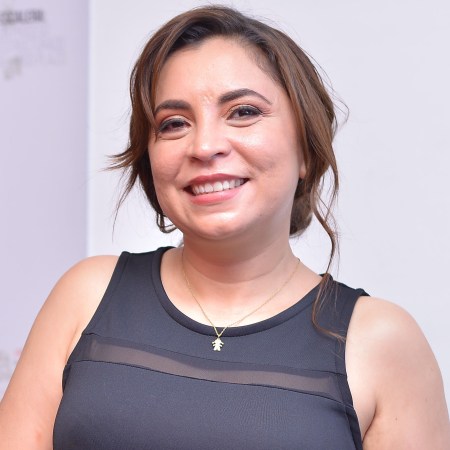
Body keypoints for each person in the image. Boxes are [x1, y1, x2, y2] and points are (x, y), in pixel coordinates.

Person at [0, 5, 449, 449]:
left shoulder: (382, 342)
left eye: (244, 112)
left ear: (306, 149)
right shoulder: (86, 296)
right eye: (174, 123)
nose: (205, 145)